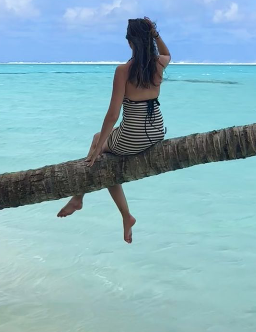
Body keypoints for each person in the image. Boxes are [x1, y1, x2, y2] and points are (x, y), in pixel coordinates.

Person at [58, 16, 171, 243]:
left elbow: (112, 115)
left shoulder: (123, 71)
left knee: (100, 150)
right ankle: (106, 210)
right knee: (104, 150)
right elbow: (168, 53)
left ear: (130, 42)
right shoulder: (159, 64)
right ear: (150, 41)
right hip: (157, 131)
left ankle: (82, 199)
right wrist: (155, 34)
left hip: (132, 136)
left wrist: (98, 148)